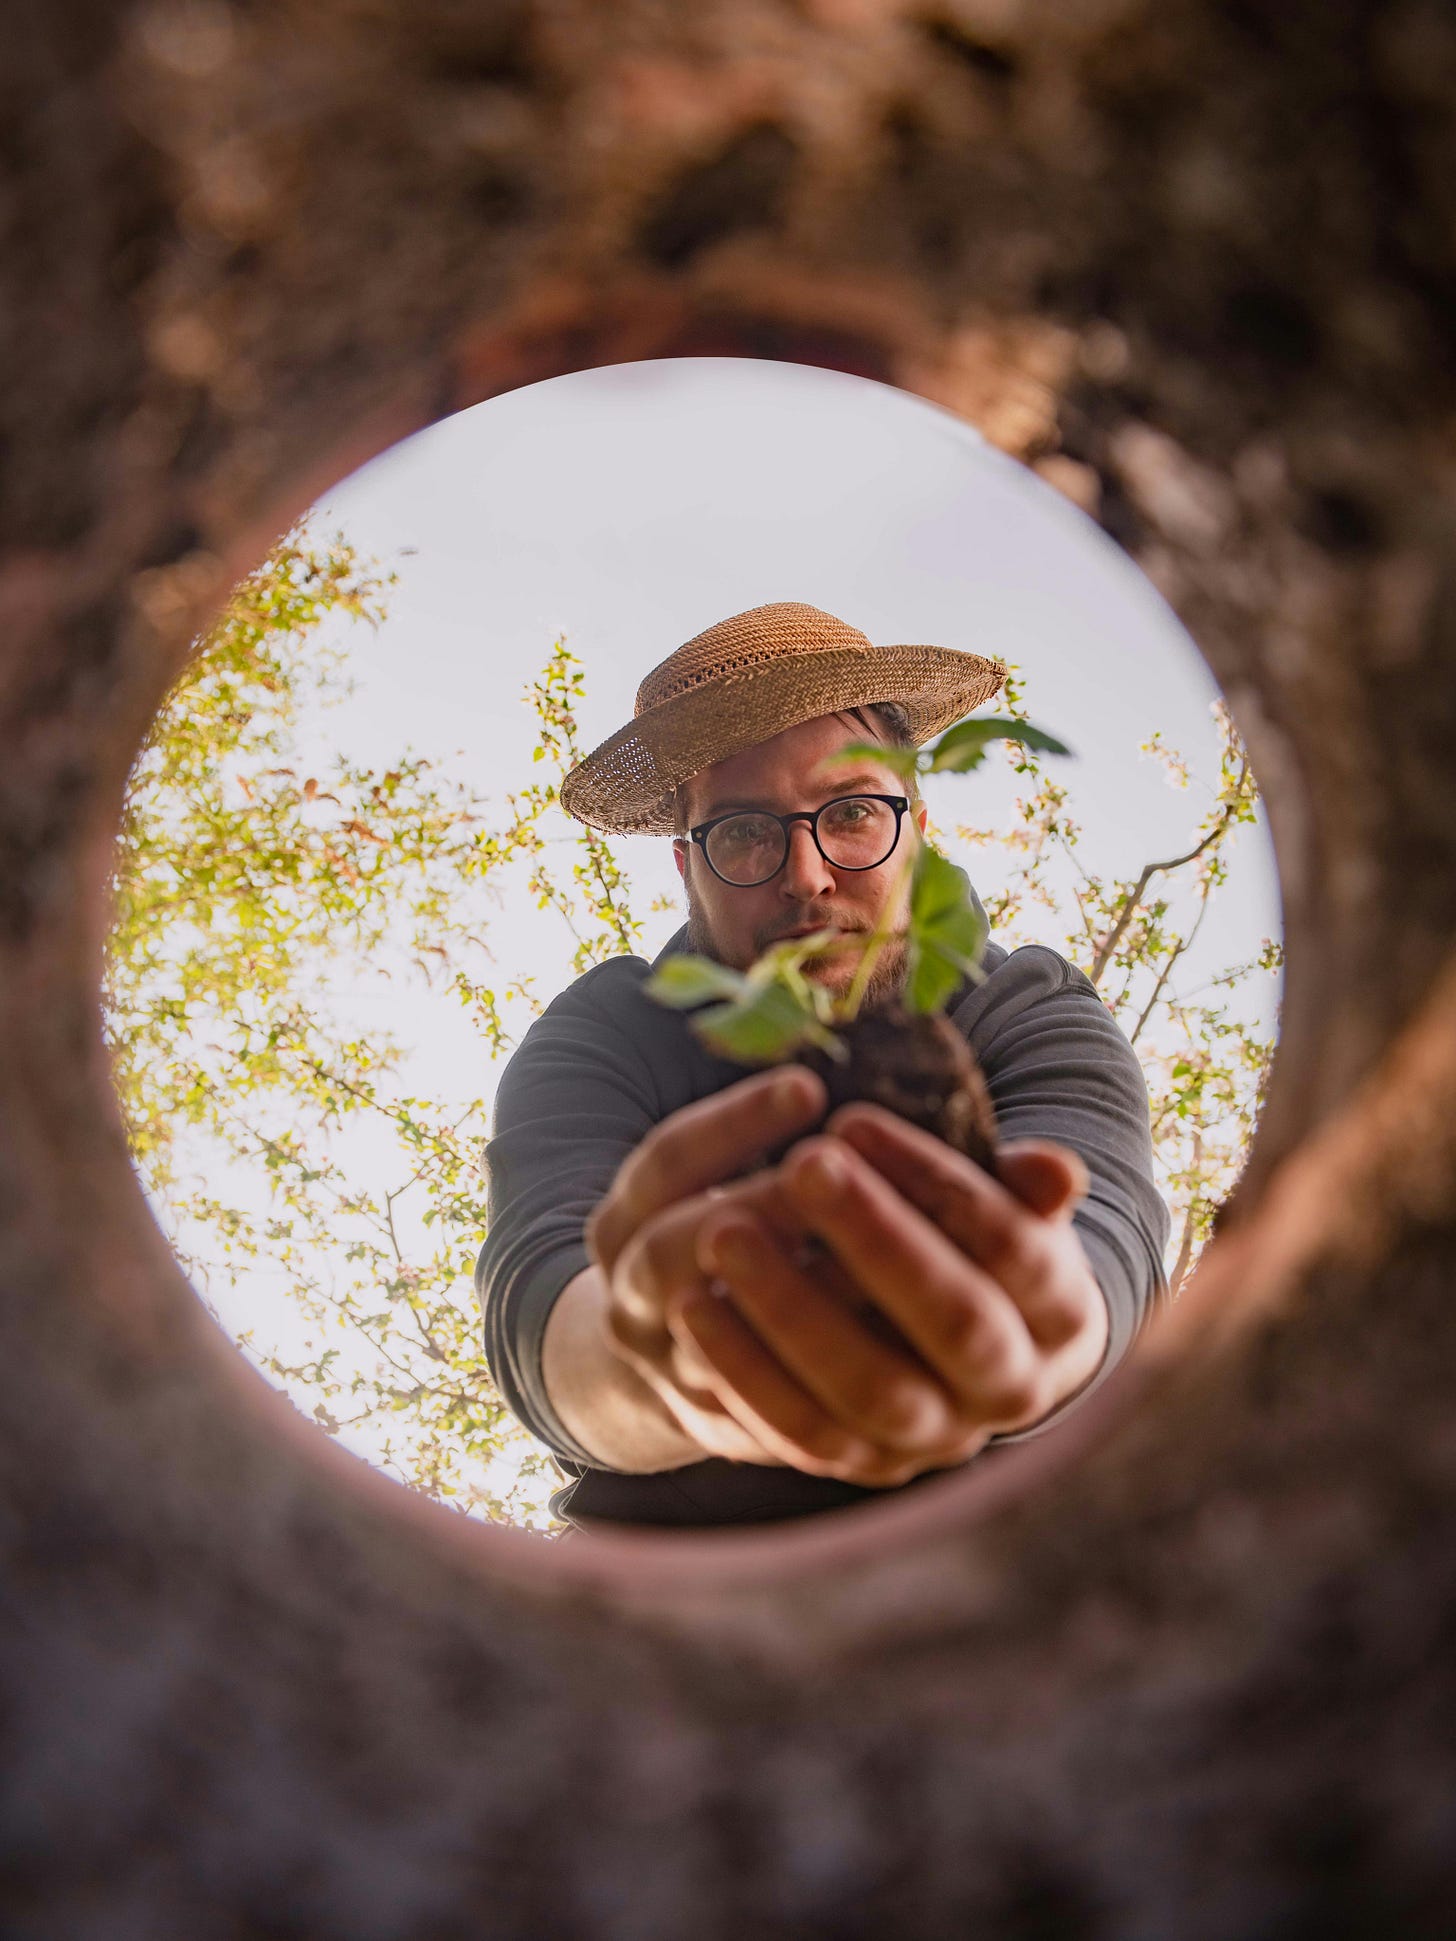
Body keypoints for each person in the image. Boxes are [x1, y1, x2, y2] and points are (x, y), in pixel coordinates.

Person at [477, 602, 1169, 1530]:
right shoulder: (601, 1037)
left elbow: (1103, 1236)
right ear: (688, 868)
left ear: (915, 826)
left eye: (848, 812)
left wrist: (1046, 1334)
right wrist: (659, 1375)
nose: (805, 873)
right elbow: (545, 1308)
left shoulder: (1030, 1010)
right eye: (746, 832)